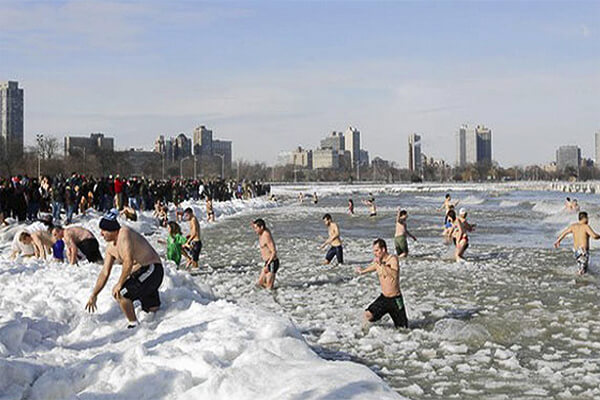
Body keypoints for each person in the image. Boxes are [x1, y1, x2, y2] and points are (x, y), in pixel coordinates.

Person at [85, 211, 164, 328]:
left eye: (104, 230)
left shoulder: (124, 233)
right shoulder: (110, 248)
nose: (101, 234)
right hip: (143, 273)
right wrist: (94, 294)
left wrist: (120, 283)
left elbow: (128, 261)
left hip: (152, 269)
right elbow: (104, 272)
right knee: (152, 312)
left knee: (121, 293)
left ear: (113, 230)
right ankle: (157, 327)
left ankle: (133, 326)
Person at [355, 238, 408, 329]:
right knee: (368, 315)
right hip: (384, 298)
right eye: (374, 251)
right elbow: (374, 266)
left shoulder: (393, 259)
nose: (375, 253)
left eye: (377, 250)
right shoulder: (378, 261)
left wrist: (382, 265)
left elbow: (394, 274)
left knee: (403, 329)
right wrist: (363, 271)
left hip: (395, 299)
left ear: (383, 249)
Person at [554, 211, 600, 275]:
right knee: (582, 271)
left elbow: (564, 233)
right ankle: (580, 282)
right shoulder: (586, 226)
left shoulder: (573, 226)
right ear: (585, 218)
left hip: (576, 251)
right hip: (583, 251)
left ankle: (580, 282)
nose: (588, 220)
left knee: (582, 268)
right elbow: (594, 236)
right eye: (587, 218)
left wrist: (558, 241)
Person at [252, 218, 279, 289]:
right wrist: (254, 224)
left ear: (261, 227)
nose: (255, 230)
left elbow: (274, 251)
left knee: (269, 287)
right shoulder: (262, 232)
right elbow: (261, 226)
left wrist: (268, 265)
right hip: (267, 262)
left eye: (256, 228)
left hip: (272, 262)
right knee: (260, 283)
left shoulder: (266, 236)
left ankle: (274, 298)